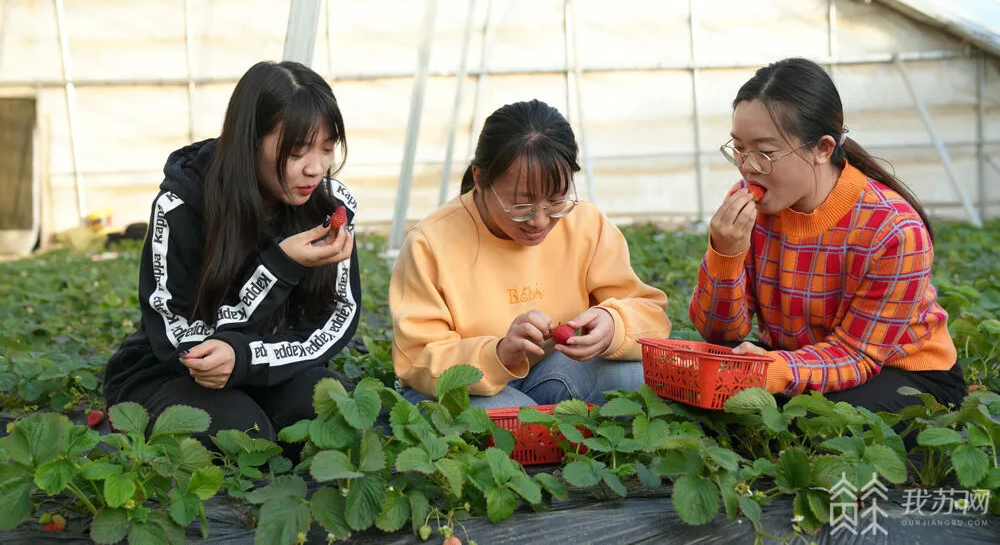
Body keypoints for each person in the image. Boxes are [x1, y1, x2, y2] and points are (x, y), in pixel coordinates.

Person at [103, 61, 362, 447]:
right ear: (250, 139)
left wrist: (247, 358)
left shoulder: (330, 207)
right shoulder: (181, 207)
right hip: (178, 371)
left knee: (327, 407)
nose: (316, 168)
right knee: (243, 431)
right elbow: (180, 339)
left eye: (327, 149)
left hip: (270, 359)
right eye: (297, 151)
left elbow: (338, 315)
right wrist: (279, 267)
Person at [690, 57, 966, 413]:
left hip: (902, 373)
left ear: (822, 148)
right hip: (801, 361)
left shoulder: (893, 229)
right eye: (739, 148)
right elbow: (719, 334)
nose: (747, 165)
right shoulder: (749, 207)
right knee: (704, 399)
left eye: (765, 152)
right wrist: (725, 255)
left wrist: (773, 371)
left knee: (798, 422)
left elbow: (857, 355)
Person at [391, 99, 671, 408]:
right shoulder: (430, 243)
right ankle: (544, 423)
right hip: (475, 390)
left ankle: (538, 423)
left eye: (556, 201)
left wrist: (613, 324)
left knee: (642, 375)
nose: (539, 221)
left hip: (557, 372)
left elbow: (651, 316)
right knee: (497, 414)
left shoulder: (586, 224)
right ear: (481, 179)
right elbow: (418, 356)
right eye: (521, 206)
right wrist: (497, 354)